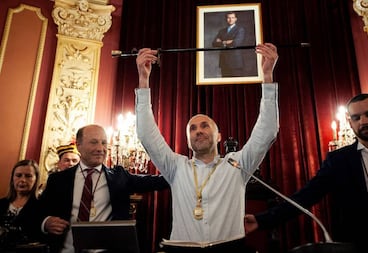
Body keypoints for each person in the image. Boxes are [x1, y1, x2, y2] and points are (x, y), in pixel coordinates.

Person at [135, 43, 279, 252]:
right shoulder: (176, 167)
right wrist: (143, 79)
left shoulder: (237, 165)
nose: (198, 131)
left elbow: (267, 132)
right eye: (192, 128)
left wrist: (267, 76)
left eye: (204, 126)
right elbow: (146, 135)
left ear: (219, 136)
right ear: (187, 141)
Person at [244, 93, 368, 253]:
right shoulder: (339, 160)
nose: (363, 121)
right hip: (366, 245)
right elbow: (305, 196)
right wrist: (261, 220)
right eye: (356, 117)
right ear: (349, 122)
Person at [38, 124, 170, 253]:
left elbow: (157, 181)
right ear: (79, 146)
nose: (100, 148)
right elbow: (33, 214)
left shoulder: (119, 177)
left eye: (104, 143)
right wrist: (46, 222)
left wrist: (185, 171)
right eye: (94, 142)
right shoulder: (58, 180)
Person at [0, 159, 45, 249]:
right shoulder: (1, 204)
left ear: (36, 179)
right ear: (12, 178)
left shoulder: (42, 206)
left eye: (28, 176)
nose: (23, 180)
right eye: (18, 175)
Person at [212, 11, 246, 77]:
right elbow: (214, 43)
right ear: (226, 19)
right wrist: (226, 42)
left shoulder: (240, 29)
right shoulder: (222, 31)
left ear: (236, 19)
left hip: (235, 62)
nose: (230, 20)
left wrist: (221, 42)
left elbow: (236, 43)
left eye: (232, 17)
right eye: (228, 18)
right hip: (224, 62)